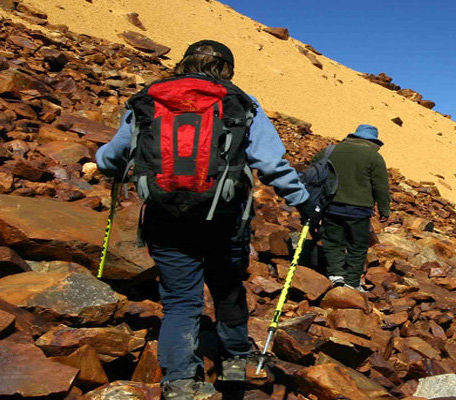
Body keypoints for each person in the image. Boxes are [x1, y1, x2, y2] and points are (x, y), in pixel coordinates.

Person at [95, 40, 311, 400]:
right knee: (227, 287)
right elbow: (270, 163)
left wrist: (111, 164)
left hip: (164, 216)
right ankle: (236, 360)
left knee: (181, 300)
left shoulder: (149, 98)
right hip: (224, 220)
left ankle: (181, 382)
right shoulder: (241, 101)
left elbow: (110, 160)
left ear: (183, 62)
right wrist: (302, 200)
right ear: (227, 69)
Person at [313, 124, 391, 291]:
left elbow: (313, 171)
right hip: (359, 209)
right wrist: (384, 210)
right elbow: (380, 186)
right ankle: (352, 281)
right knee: (358, 245)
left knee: (333, 241)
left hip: (331, 205)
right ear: (373, 141)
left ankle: (335, 274)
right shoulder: (373, 157)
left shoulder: (331, 150)